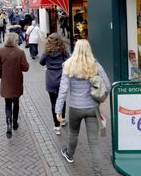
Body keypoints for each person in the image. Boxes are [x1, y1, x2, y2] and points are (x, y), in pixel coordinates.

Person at [56, 40, 110, 175]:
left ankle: (69, 154)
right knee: (94, 142)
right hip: (92, 107)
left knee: (74, 133)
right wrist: (101, 99)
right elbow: (107, 85)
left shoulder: (68, 66)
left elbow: (63, 91)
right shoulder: (95, 65)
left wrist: (58, 110)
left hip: (75, 107)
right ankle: (98, 172)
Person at [0, 33, 30, 139]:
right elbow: (25, 68)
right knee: (16, 102)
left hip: (6, 81)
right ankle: (15, 123)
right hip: (16, 81)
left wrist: (1, 76)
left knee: (8, 103)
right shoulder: (20, 52)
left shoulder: (1, 51)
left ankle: (9, 123)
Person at [39, 33, 69, 135]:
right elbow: (68, 61)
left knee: (53, 103)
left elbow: (41, 62)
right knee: (62, 100)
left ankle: (57, 126)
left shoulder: (47, 52)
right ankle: (63, 119)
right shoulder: (63, 51)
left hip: (51, 80)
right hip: (62, 79)